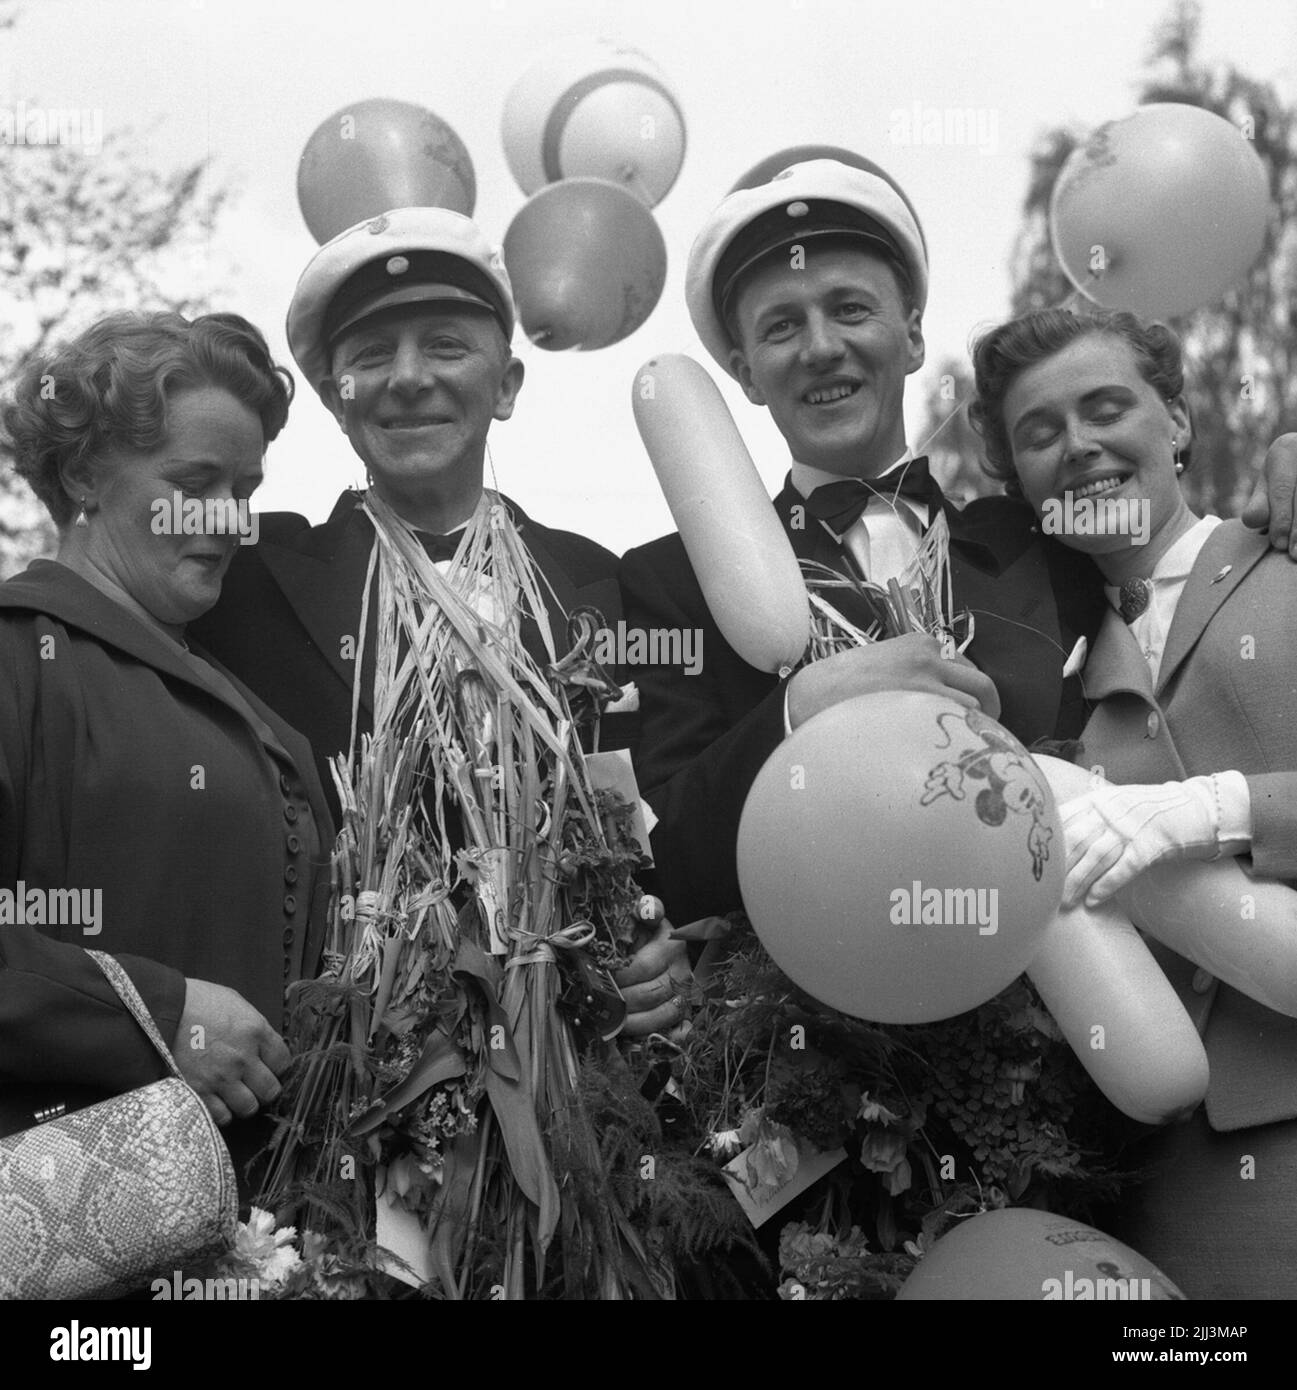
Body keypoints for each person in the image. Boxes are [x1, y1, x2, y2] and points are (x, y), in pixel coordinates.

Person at [968, 304, 1297, 1299]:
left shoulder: (1284, 559)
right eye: (1040, 433)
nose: (1078, 447)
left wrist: (1213, 807)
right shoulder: (1039, 671)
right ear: (1019, 480)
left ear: (1181, 423)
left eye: (1106, 407)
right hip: (1166, 1177)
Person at [0, 311, 332, 1182]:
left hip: (270, 1232)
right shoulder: (13, 653)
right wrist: (157, 1014)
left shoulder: (247, 698)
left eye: (246, 490)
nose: (230, 520)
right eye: (196, 481)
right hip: (66, 1247)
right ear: (81, 473)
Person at [190, 208, 630, 832]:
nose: (407, 378)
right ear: (334, 402)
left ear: (505, 387)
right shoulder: (244, 585)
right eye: (372, 355)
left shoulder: (600, 584)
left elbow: (629, 812)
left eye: (445, 346)